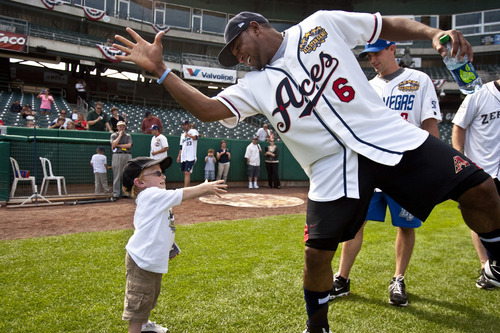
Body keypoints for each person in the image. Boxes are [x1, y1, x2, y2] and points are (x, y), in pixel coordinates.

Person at [114, 11, 500, 333]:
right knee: (316, 257)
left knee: (482, 189)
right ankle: (317, 327)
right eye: (233, 55)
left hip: (386, 135)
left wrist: (434, 32)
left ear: (255, 27)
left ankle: (495, 260)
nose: (239, 57)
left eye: (238, 47)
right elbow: (207, 108)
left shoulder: (320, 25)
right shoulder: (254, 84)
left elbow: (384, 25)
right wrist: (162, 70)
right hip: (330, 168)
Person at [331, 39, 442, 307]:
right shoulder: (368, 87)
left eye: (377, 53)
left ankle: (398, 279)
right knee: (355, 224)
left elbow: (429, 125)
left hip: (408, 169)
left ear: (392, 49)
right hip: (372, 168)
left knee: (405, 226)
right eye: (368, 56)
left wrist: (432, 168)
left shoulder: (419, 79)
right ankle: (342, 279)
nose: (372, 60)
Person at [121, 156, 227, 333]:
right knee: (138, 302)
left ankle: (145, 325)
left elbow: (161, 226)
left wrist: (170, 245)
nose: (163, 176)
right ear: (139, 182)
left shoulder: (156, 197)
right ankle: (136, 329)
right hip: (141, 261)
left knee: (149, 297)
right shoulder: (150, 195)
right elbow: (181, 194)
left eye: (163, 173)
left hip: (152, 260)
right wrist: (204, 188)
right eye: (157, 173)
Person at [452, 78, 500, 291]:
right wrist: (460, 159)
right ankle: (486, 267)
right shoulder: (479, 93)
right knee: (479, 218)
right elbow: (458, 127)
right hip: (481, 170)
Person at [110, 120, 132, 199]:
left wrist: (118, 145)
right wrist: (119, 135)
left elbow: (128, 145)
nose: (121, 128)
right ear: (117, 127)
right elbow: (113, 144)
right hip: (117, 155)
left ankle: (124, 193)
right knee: (117, 175)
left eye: (123, 126)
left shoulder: (128, 136)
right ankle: (116, 193)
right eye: (120, 126)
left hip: (127, 155)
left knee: (126, 175)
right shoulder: (113, 135)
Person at [176, 119, 198, 187]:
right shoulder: (182, 135)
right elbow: (181, 147)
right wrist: (179, 156)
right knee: (185, 172)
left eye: (185, 124)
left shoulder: (193, 131)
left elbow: (196, 138)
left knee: (187, 172)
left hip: (191, 156)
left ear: (188, 125)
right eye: (183, 125)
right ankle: (187, 187)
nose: (184, 126)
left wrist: (189, 135)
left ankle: (185, 189)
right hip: (184, 156)